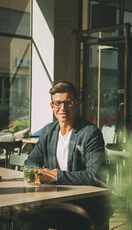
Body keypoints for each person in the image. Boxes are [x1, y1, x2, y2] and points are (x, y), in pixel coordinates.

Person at [25, 81, 113, 229]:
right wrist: (39, 172)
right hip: (57, 200)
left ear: (77, 104)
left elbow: (95, 174)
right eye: (58, 103)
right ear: (52, 106)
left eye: (68, 103)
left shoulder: (90, 133)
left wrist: (56, 176)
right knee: (27, 217)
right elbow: (30, 162)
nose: (62, 108)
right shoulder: (48, 132)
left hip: (86, 204)